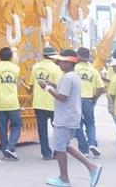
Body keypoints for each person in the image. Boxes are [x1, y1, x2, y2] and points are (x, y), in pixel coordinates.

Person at [39, 49, 102, 187]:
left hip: (65, 118)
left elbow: (62, 96)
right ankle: (91, 167)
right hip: (71, 116)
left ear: (69, 62)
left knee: (60, 147)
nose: (58, 63)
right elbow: (64, 90)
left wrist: (47, 88)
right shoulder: (73, 76)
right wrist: (51, 85)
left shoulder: (68, 78)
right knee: (65, 145)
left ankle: (64, 178)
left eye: (61, 61)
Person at [29, 46, 63, 160]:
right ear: (53, 56)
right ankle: (57, 152)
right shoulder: (56, 68)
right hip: (53, 103)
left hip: (38, 103)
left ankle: (46, 153)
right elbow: (60, 86)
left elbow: (31, 86)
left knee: (42, 129)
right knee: (57, 129)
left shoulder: (35, 67)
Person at [74, 47, 105, 158]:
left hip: (75, 100)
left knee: (77, 124)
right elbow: (101, 88)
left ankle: (84, 150)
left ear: (77, 56)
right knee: (90, 123)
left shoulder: (74, 68)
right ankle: (92, 143)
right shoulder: (93, 71)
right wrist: (94, 99)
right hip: (88, 100)